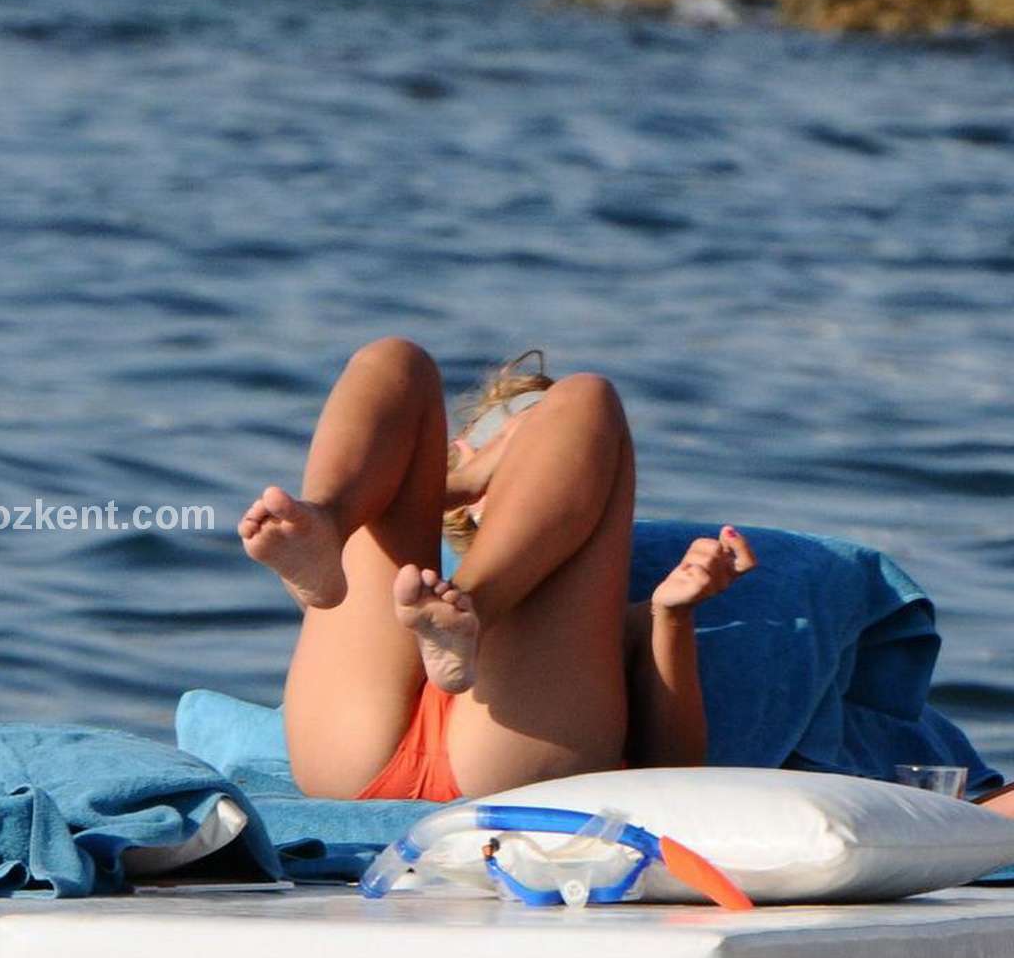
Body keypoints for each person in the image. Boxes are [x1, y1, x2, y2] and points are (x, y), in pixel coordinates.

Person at [238, 337, 758, 802]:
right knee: (394, 361)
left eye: (543, 445)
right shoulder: (389, 585)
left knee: (586, 397)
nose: (523, 459)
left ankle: (471, 612)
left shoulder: (610, 624)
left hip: (473, 760)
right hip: (361, 744)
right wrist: (456, 485)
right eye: (508, 445)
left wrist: (672, 614)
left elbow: (673, 770)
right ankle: (329, 518)